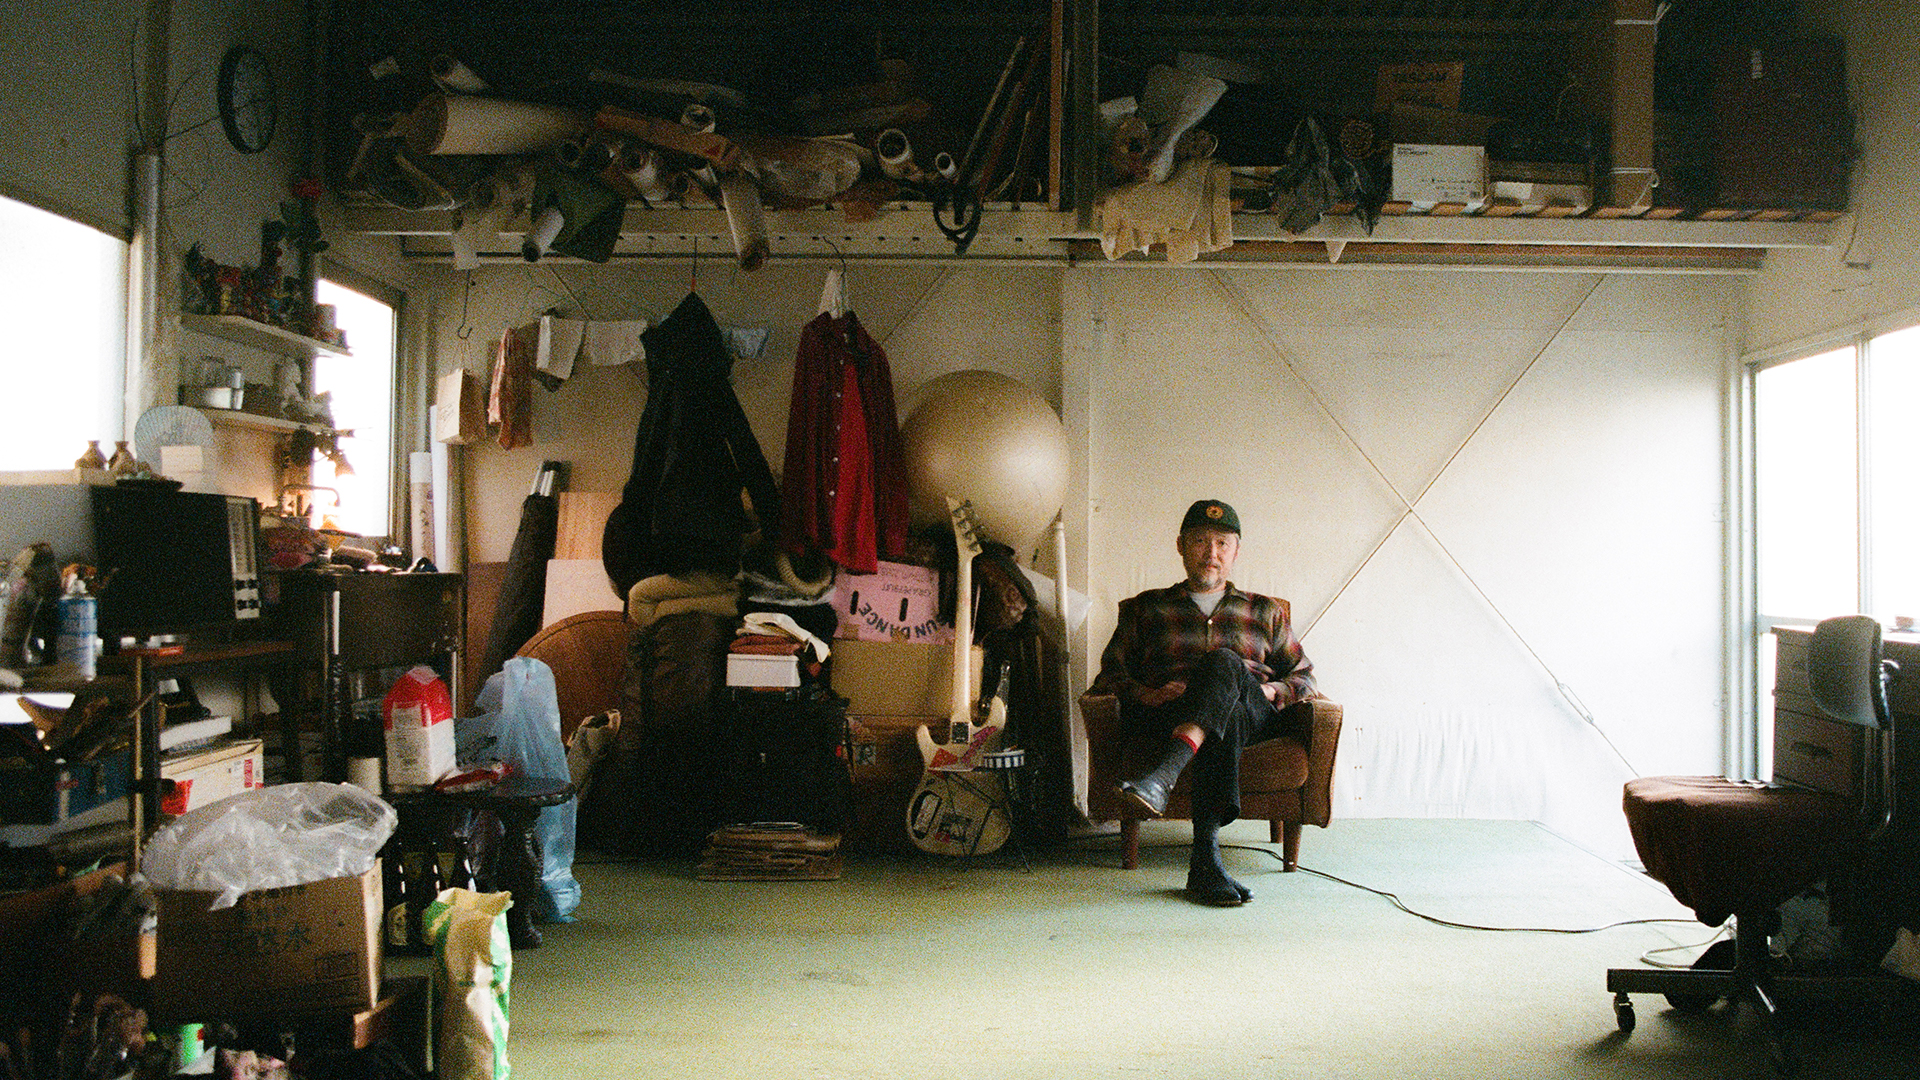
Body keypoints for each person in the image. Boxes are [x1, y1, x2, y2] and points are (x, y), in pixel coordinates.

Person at [1091, 499, 1316, 906]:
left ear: (1236, 551)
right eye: (1199, 541)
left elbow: (1304, 677)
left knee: (1225, 664)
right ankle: (1204, 863)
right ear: (1180, 545)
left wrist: (1268, 691)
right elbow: (1109, 676)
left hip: (1255, 714)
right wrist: (1148, 693)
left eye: (1222, 543)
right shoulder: (1147, 608)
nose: (1211, 553)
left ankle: (1164, 775)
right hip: (1172, 712)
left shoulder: (1264, 611)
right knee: (1223, 715)